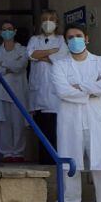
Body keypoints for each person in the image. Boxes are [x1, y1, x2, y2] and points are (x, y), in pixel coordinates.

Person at [51, 25, 101, 202]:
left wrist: (79, 87)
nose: (75, 40)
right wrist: (91, 88)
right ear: (65, 41)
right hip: (70, 122)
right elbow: (62, 91)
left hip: (96, 122)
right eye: (70, 37)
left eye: (78, 36)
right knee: (69, 168)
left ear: (87, 39)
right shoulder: (60, 65)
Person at [27, 10, 68, 163]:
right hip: (38, 92)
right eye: (44, 19)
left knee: (54, 129)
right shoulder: (34, 39)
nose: (47, 22)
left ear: (56, 23)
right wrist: (50, 52)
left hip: (54, 94)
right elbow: (30, 54)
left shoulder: (61, 40)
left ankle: (54, 160)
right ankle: (43, 160)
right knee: (41, 129)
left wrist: (41, 55)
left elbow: (60, 58)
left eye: (51, 19)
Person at [0, 20, 29, 162]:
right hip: (1, 92)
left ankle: (18, 153)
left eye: (9, 28)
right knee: (5, 124)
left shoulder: (23, 50)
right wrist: (10, 66)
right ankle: (7, 153)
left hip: (18, 92)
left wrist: (5, 65)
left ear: (15, 31)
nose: (7, 31)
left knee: (19, 124)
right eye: (4, 29)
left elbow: (20, 66)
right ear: (0, 33)